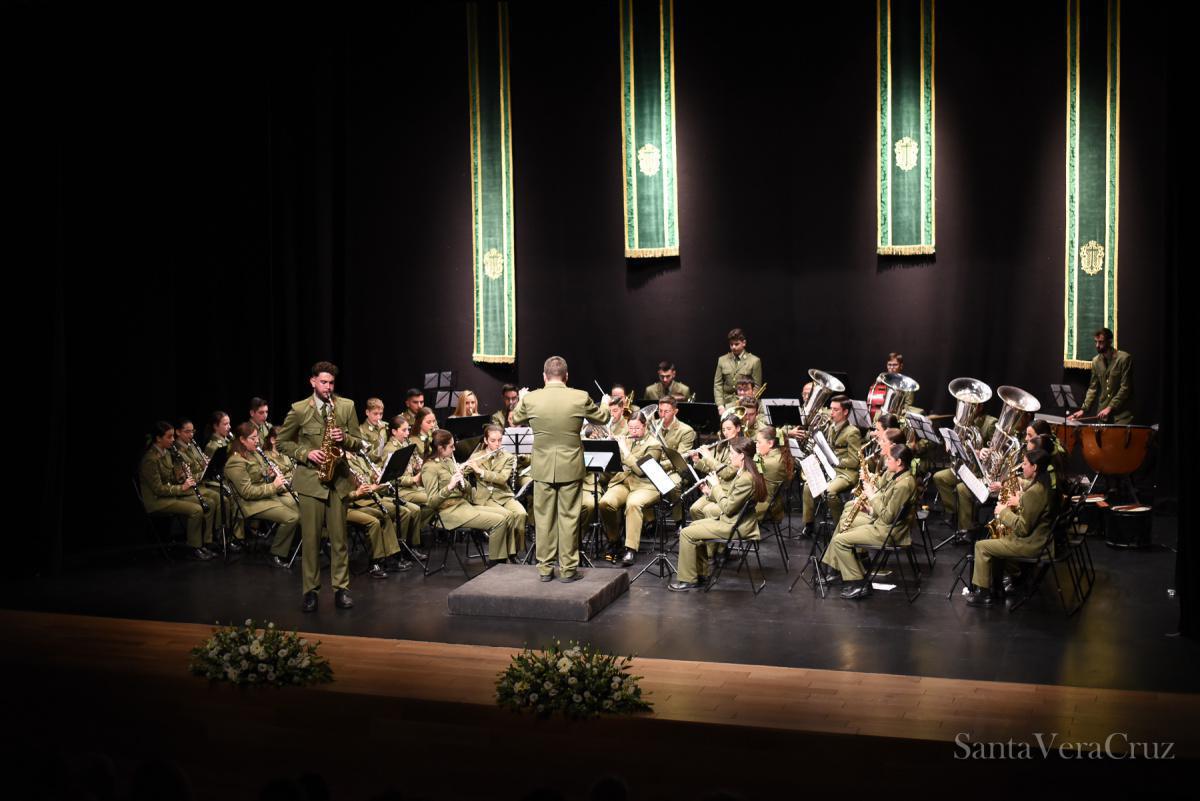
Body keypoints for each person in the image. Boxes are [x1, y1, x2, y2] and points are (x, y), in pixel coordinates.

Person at [511, 355, 610, 581]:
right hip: (570, 466)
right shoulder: (580, 396)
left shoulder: (532, 399)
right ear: (566, 376)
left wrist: (522, 397)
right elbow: (603, 418)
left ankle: (545, 569)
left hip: (543, 467)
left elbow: (515, 418)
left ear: (544, 377)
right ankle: (567, 570)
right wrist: (604, 402)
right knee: (569, 518)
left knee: (544, 518)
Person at [275, 360, 362, 613]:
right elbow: (282, 443)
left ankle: (341, 589)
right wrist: (306, 453)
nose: (328, 387)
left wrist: (344, 438)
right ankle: (310, 592)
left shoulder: (346, 406)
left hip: (339, 481)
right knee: (311, 540)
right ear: (312, 381)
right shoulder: (300, 409)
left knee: (339, 540)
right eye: (323, 382)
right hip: (311, 481)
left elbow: (358, 442)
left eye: (331, 383)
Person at [668, 437, 766, 591]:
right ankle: (702, 574)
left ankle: (688, 580)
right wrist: (709, 492)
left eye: (732, 453)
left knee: (686, 533)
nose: (729, 457)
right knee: (693, 526)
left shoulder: (745, 478)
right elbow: (731, 501)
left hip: (736, 526)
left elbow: (728, 508)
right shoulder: (744, 473)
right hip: (733, 520)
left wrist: (716, 486)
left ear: (741, 456)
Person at [821, 444, 918, 599]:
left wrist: (872, 495)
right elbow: (888, 511)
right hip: (884, 525)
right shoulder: (900, 477)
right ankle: (837, 569)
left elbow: (888, 517)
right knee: (845, 527)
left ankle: (859, 583)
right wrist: (870, 510)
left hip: (889, 532)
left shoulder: (904, 484)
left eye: (889, 459)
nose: (886, 462)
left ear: (899, 462)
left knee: (840, 541)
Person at [966, 449, 1057, 607]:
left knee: (981, 546)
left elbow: (1022, 529)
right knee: (998, 540)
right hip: (1041, 540)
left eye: (1026, 464)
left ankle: (984, 594)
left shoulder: (1035, 492)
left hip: (1033, 544)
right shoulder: (1044, 483)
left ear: (1035, 467)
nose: (1023, 467)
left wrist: (1004, 512)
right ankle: (998, 587)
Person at [421, 429, 513, 565]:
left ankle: (506, 558)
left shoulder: (448, 461)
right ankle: (497, 565)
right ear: (441, 448)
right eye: (451, 446)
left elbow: (468, 490)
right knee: (499, 521)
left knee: (508, 515)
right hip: (448, 513)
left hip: (462, 505)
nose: (454, 449)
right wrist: (450, 487)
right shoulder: (429, 467)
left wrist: (462, 483)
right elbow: (432, 502)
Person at [224, 422, 300, 569]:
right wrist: (274, 485)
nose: (257, 441)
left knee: (298, 508)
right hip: (249, 504)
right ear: (242, 440)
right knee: (292, 517)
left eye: (257, 437)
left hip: (263, 496)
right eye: (253, 438)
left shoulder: (253, 454)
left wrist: (267, 473)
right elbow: (247, 492)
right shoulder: (235, 462)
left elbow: (257, 475)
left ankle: (291, 548)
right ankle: (277, 554)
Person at [138, 421, 217, 560]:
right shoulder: (150, 459)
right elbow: (158, 489)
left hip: (171, 495)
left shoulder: (167, 453)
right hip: (157, 501)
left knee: (208, 503)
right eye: (169, 437)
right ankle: (194, 547)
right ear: (158, 438)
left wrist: (181, 475)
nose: (173, 440)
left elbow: (172, 478)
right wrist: (182, 487)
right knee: (196, 510)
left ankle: (206, 543)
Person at [598, 415, 666, 566]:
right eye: (631, 428)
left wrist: (624, 450)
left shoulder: (654, 445)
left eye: (637, 428)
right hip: (623, 481)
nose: (633, 431)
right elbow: (615, 463)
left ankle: (630, 549)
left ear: (645, 426)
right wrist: (610, 446)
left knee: (633, 504)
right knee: (605, 502)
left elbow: (641, 471)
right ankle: (614, 539)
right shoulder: (626, 439)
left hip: (645, 485)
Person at [800, 394, 862, 532]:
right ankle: (809, 524)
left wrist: (834, 461)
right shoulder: (831, 427)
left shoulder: (852, 432)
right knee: (807, 486)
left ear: (845, 412)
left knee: (830, 492)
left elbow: (855, 461)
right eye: (831, 409)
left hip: (846, 472)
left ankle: (840, 526)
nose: (831, 413)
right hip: (831, 469)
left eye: (835, 410)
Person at [344, 447, 409, 578]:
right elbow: (341, 493)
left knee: (385, 515)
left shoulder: (359, 458)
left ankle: (392, 556)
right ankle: (375, 562)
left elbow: (365, 478)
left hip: (362, 499)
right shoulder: (342, 464)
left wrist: (375, 479)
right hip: (348, 505)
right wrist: (358, 492)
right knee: (374, 521)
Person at [933, 405, 998, 534]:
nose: (968, 407)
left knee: (962, 488)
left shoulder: (990, 423)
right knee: (939, 477)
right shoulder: (964, 421)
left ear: (980, 406)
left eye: (972, 404)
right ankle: (954, 512)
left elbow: (995, 450)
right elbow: (959, 441)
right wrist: (951, 444)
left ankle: (966, 527)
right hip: (964, 466)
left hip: (979, 471)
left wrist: (982, 452)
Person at [466, 424, 528, 558]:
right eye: (493, 441)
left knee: (521, 514)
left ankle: (514, 553)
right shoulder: (476, 456)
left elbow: (502, 479)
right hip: (485, 498)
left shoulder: (508, 457)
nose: (497, 444)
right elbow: (464, 472)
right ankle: (505, 555)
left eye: (500, 440)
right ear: (486, 440)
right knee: (507, 516)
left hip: (503, 494)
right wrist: (462, 468)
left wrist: (481, 471)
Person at [382, 415, 429, 552]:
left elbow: (412, 467)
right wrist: (413, 479)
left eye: (408, 430)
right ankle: (406, 545)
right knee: (430, 498)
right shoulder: (390, 449)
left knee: (430, 497)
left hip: (411, 488)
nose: (408, 433)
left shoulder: (405, 445)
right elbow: (390, 478)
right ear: (394, 432)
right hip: (399, 490)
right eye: (404, 430)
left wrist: (419, 467)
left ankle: (412, 544)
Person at [1069, 327, 1134, 424]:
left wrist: (1110, 407)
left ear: (1109, 341)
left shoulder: (1124, 358)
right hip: (1103, 415)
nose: (1097, 345)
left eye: (1101, 342)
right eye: (1096, 342)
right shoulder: (1096, 361)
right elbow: (1093, 388)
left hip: (1121, 415)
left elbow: (1125, 387)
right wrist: (1083, 410)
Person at [713, 328, 763, 414]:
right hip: (726, 404)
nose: (733, 347)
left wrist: (748, 403)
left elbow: (757, 386)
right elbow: (718, 384)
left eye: (736, 344)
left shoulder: (754, 361)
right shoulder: (722, 360)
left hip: (745, 403)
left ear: (744, 343)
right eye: (731, 344)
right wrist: (720, 405)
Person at [754, 427, 792, 522]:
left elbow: (750, 470)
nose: (756, 445)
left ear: (770, 443)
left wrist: (756, 455)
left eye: (759, 442)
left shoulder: (768, 463)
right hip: (773, 503)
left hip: (764, 505)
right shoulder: (779, 454)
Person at [865, 353, 913, 420]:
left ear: (901, 366)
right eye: (889, 365)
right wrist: (876, 383)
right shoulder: (882, 380)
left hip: (895, 419)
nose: (891, 368)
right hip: (879, 416)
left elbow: (908, 407)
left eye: (895, 365)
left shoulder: (907, 385)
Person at [358, 397, 388, 463]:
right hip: (376, 466)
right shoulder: (361, 431)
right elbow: (369, 457)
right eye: (375, 413)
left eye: (381, 414)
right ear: (367, 412)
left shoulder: (386, 425)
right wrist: (381, 445)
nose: (378, 417)